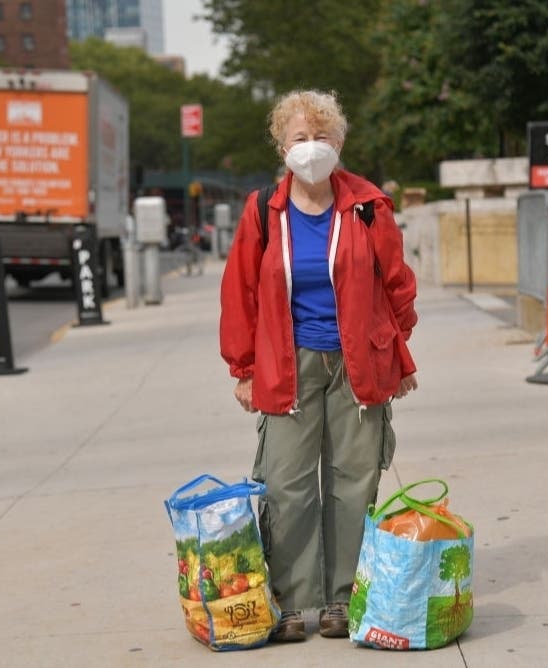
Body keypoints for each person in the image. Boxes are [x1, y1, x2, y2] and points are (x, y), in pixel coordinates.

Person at [219, 90, 419, 642]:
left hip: (359, 363)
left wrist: (399, 356)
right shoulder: (264, 210)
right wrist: (242, 368)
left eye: (322, 137)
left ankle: (341, 596)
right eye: (300, 138)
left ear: (340, 143)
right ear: (282, 146)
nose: (312, 149)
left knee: (353, 480)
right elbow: (239, 293)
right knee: (286, 482)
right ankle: (289, 597)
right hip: (287, 363)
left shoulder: (368, 205)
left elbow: (397, 285)